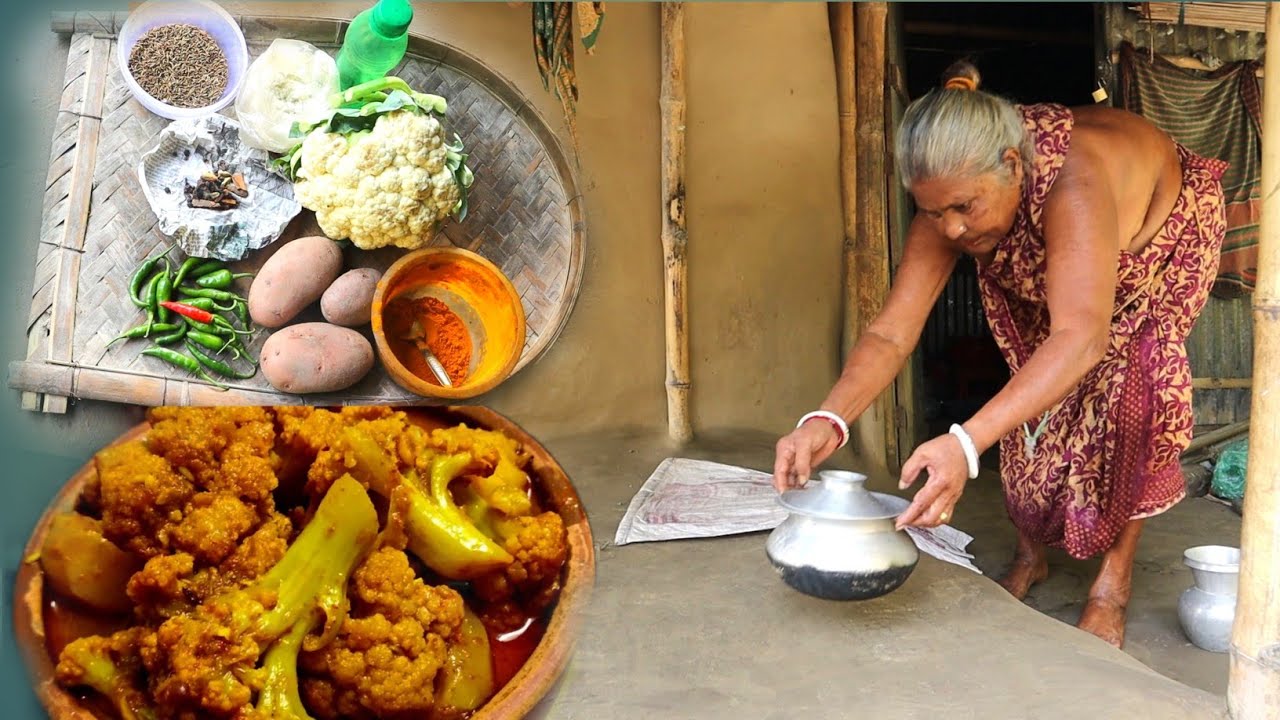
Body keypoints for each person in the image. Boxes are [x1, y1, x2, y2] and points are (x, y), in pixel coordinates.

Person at [772, 61, 1225, 648]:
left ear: (1013, 167)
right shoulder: (950, 194)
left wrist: (963, 443)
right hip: (1058, 237)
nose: (952, 231)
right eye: (933, 212)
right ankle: (1030, 551)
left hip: (1160, 233)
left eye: (964, 207)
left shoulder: (1074, 182)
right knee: (1029, 388)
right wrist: (826, 420)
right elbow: (891, 334)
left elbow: (1081, 339)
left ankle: (1112, 584)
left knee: (1132, 392)